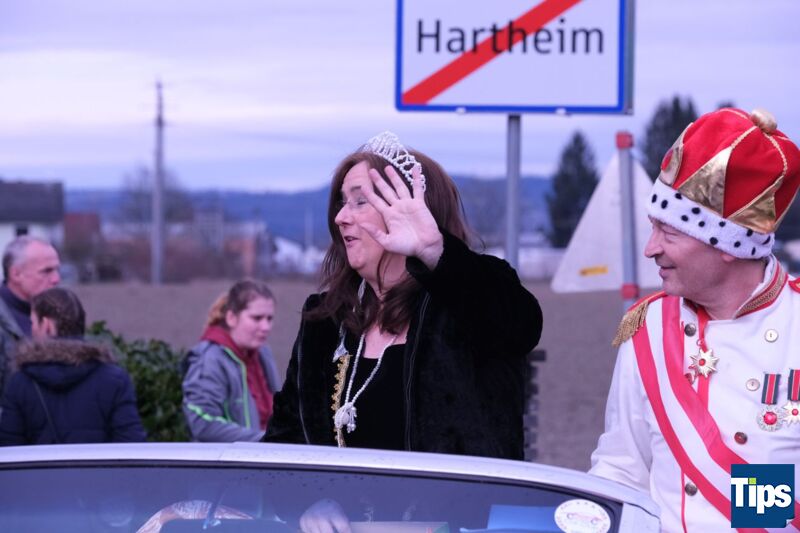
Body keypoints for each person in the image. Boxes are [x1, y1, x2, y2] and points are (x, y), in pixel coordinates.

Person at [264, 131, 543, 459]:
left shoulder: (467, 305)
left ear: (417, 212)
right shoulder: (325, 322)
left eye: (360, 201)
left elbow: (522, 326)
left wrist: (434, 250)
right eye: (342, 202)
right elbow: (284, 441)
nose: (341, 217)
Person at [589, 108, 800, 531]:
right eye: (653, 229)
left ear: (728, 245)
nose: (651, 249)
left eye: (669, 233)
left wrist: (750, 502)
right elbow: (621, 471)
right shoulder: (647, 329)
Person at [0, 287, 146, 444]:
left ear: (47, 325)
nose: (31, 330)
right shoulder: (115, 380)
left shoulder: (20, 382)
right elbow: (130, 444)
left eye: (33, 323)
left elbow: (10, 448)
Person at [182, 279, 281, 442]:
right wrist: (265, 440)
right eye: (257, 318)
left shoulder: (263, 354)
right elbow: (203, 424)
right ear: (231, 318)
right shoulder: (209, 359)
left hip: (264, 455)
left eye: (269, 318)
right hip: (227, 458)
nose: (266, 327)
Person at [0, 236, 61, 396]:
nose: (56, 279)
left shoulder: (60, 314)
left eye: (57, 270)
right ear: (16, 274)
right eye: (46, 271)